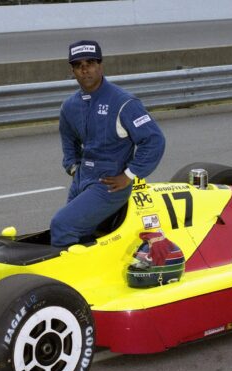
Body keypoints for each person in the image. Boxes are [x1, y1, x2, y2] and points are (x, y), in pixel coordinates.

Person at [50, 40, 166, 247]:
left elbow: (154, 140)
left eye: (90, 63)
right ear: (73, 70)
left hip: (110, 183)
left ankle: (69, 279)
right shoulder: (69, 106)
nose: (85, 70)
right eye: (79, 65)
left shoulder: (123, 102)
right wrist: (73, 166)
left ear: (100, 65)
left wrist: (129, 175)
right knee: (81, 233)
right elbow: (68, 139)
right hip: (82, 178)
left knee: (62, 225)